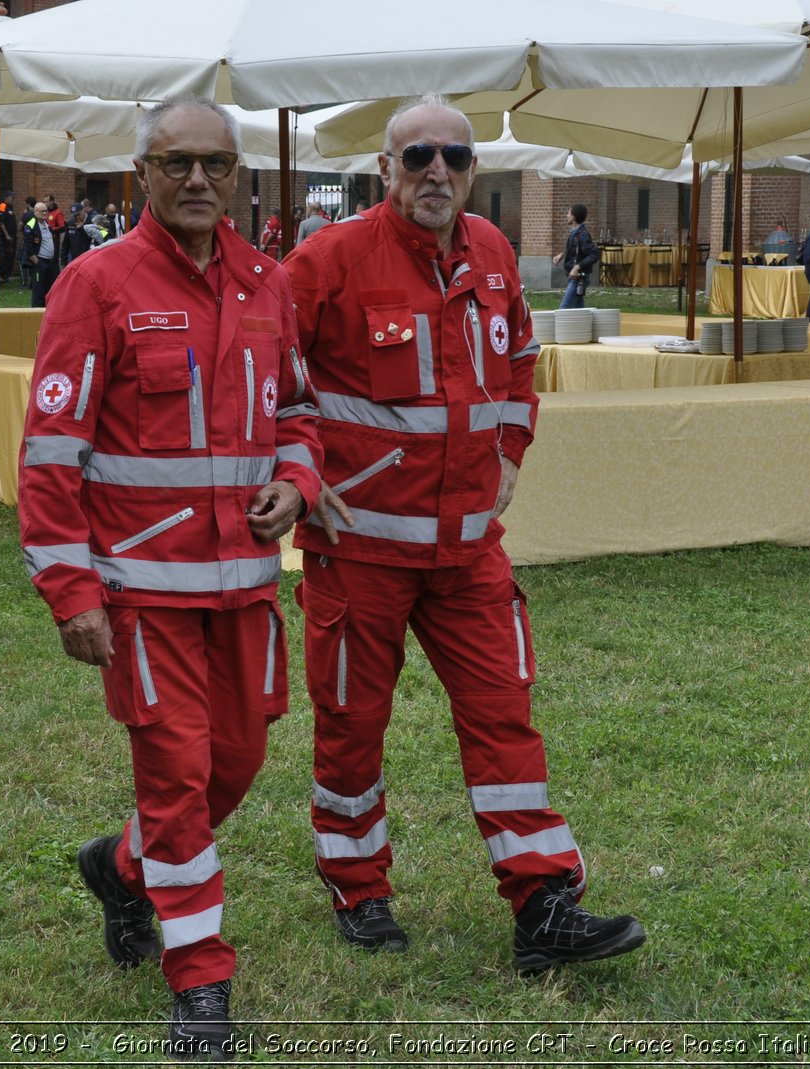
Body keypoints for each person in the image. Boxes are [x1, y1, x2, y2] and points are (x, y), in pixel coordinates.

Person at [283, 94, 646, 975]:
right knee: (351, 725)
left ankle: (543, 902)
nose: (436, 171)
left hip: (468, 549)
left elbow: (519, 358)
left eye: (454, 156)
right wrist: (296, 474)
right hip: (360, 554)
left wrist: (514, 443)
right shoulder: (325, 260)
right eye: (417, 158)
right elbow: (264, 377)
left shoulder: (489, 252)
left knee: (503, 716)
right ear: (384, 170)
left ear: (474, 170)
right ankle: (358, 886)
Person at [19, 95, 322, 1062]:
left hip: (245, 591)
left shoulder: (270, 284)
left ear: (240, 177)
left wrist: (295, 480)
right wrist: (71, 589)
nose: (199, 181)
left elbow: (301, 413)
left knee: (231, 767)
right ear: (140, 174)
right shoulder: (94, 284)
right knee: (180, 784)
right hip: (143, 593)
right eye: (177, 163)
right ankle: (201, 983)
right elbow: (50, 452)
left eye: (216, 165)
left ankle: (117, 866)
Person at [558, 203, 600, 309]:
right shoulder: (575, 234)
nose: (566, 215)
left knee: (564, 308)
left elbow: (594, 254)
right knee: (578, 310)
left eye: (568, 213)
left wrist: (577, 267)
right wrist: (562, 254)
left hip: (578, 278)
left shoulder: (582, 234)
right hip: (574, 277)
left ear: (573, 217)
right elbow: (578, 251)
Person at [27, 200, 59, 308]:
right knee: (38, 290)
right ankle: (36, 313)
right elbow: (28, 246)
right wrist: (37, 262)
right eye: (41, 211)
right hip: (40, 262)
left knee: (50, 289)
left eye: (46, 211)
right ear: (35, 212)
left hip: (50, 263)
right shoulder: (31, 225)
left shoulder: (48, 225)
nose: (45, 213)